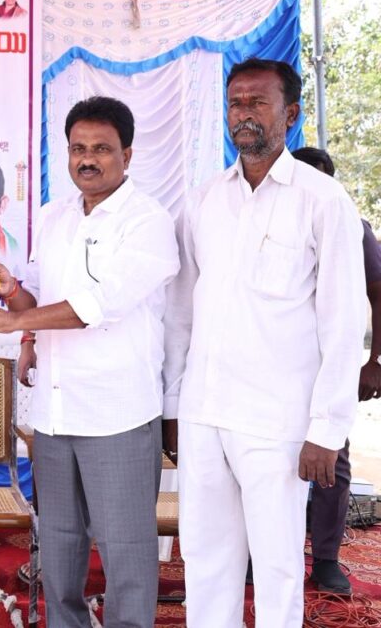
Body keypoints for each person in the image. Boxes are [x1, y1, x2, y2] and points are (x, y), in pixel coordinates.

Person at [0, 96, 179, 628]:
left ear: (127, 154)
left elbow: (99, 305)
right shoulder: (54, 215)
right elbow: (35, 295)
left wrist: (12, 322)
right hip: (55, 413)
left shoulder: (147, 222)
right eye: (78, 148)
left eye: (101, 149)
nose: (88, 159)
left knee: (125, 549)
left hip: (117, 412)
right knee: (58, 546)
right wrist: (11, 292)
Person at [163, 59, 365, 626]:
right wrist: (175, 406)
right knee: (205, 559)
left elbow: (344, 321)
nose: (244, 114)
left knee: (276, 565)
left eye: (258, 102)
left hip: (277, 421)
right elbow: (180, 313)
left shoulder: (322, 200)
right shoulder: (203, 201)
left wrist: (327, 429)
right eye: (235, 103)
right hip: (204, 414)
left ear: (290, 113)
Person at [294, 145, 381, 594]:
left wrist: (374, 361)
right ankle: (255, 554)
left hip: (330, 368)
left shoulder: (350, 225)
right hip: (271, 369)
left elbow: (378, 292)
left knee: (332, 459)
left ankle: (326, 559)